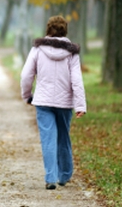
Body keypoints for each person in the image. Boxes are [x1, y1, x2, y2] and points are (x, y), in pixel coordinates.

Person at [20, 15, 87, 190]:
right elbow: (77, 80)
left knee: (48, 138)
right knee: (63, 137)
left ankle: (50, 177)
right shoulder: (71, 52)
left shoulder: (38, 49)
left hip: (43, 101)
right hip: (64, 103)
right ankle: (64, 176)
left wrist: (27, 95)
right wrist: (80, 105)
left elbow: (26, 74)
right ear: (65, 30)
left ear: (48, 30)